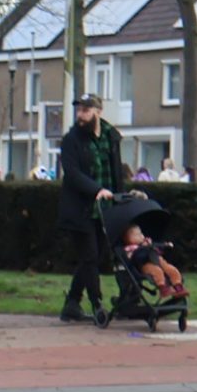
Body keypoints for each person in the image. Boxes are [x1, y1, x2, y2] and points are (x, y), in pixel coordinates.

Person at [57, 92, 126, 326]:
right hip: (80, 209)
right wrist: (96, 189)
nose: (81, 115)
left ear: (98, 111)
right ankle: (97, 304)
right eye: (78, 110)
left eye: (86, 110)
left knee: (94, 257)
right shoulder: (71, 140)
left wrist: (121, 196)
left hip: (104, 209)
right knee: (89, 257)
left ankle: (72, 304)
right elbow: (72, 173)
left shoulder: (111, 138)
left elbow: (116, 171)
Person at [121, 220, 187, 301]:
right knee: (157, 271)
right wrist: (142, 248)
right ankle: (163, 288)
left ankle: (178, 286)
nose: (141, 236)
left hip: (159, 260)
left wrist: (162, 245)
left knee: (171, 269)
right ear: (128, 239)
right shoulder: (130, 248)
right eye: (137, 235)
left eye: (141, 233)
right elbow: (134, 259)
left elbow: (157, 250)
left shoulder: (148, 242)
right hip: (146, 264)